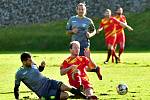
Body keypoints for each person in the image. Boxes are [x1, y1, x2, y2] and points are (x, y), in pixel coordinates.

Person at [14, 52, 86, 100]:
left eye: (31, 59)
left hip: (49, 82)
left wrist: (42, 66)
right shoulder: (19, 73)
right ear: (24, 62)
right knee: (65, 95)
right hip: (43, 92)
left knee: (67, 87)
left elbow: (39, 70)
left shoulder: (32, 64)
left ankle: (84, 96)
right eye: (29, 60)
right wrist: (17, 99)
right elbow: (16, 88)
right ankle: (45, 98)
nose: (31, 61)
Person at [66, 2, 102, 80]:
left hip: (85, 44)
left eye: (82, 9)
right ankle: (82, 80)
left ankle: (92, 71)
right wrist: (72, 31)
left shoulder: (88, 21)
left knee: (87, 62)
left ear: (85, 10)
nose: (81, 11)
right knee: (78, 64)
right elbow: (67, 32)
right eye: (79, 9)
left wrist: (90, 34)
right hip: (75, 45)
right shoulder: (72, 19)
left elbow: (94, 31)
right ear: (76, 10)